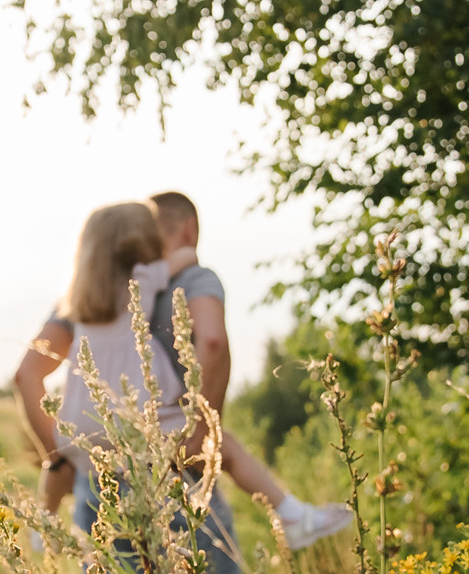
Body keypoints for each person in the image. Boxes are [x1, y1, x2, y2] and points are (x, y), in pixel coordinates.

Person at [14, 202, 250, 574]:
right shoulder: (158, 285)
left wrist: (63, 451)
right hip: (168, 469)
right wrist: (200, 433)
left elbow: (26, 375)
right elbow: (212, 340)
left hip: (97, 480)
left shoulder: (75, 303)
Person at [141, 189, 355, 550]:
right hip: (177, 442)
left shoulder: (135, 291)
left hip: (132, 449)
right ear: (190, 229)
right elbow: (211, 341)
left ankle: (293, 513)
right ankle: (293, 515)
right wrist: (202, 421)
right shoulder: (196, 279)